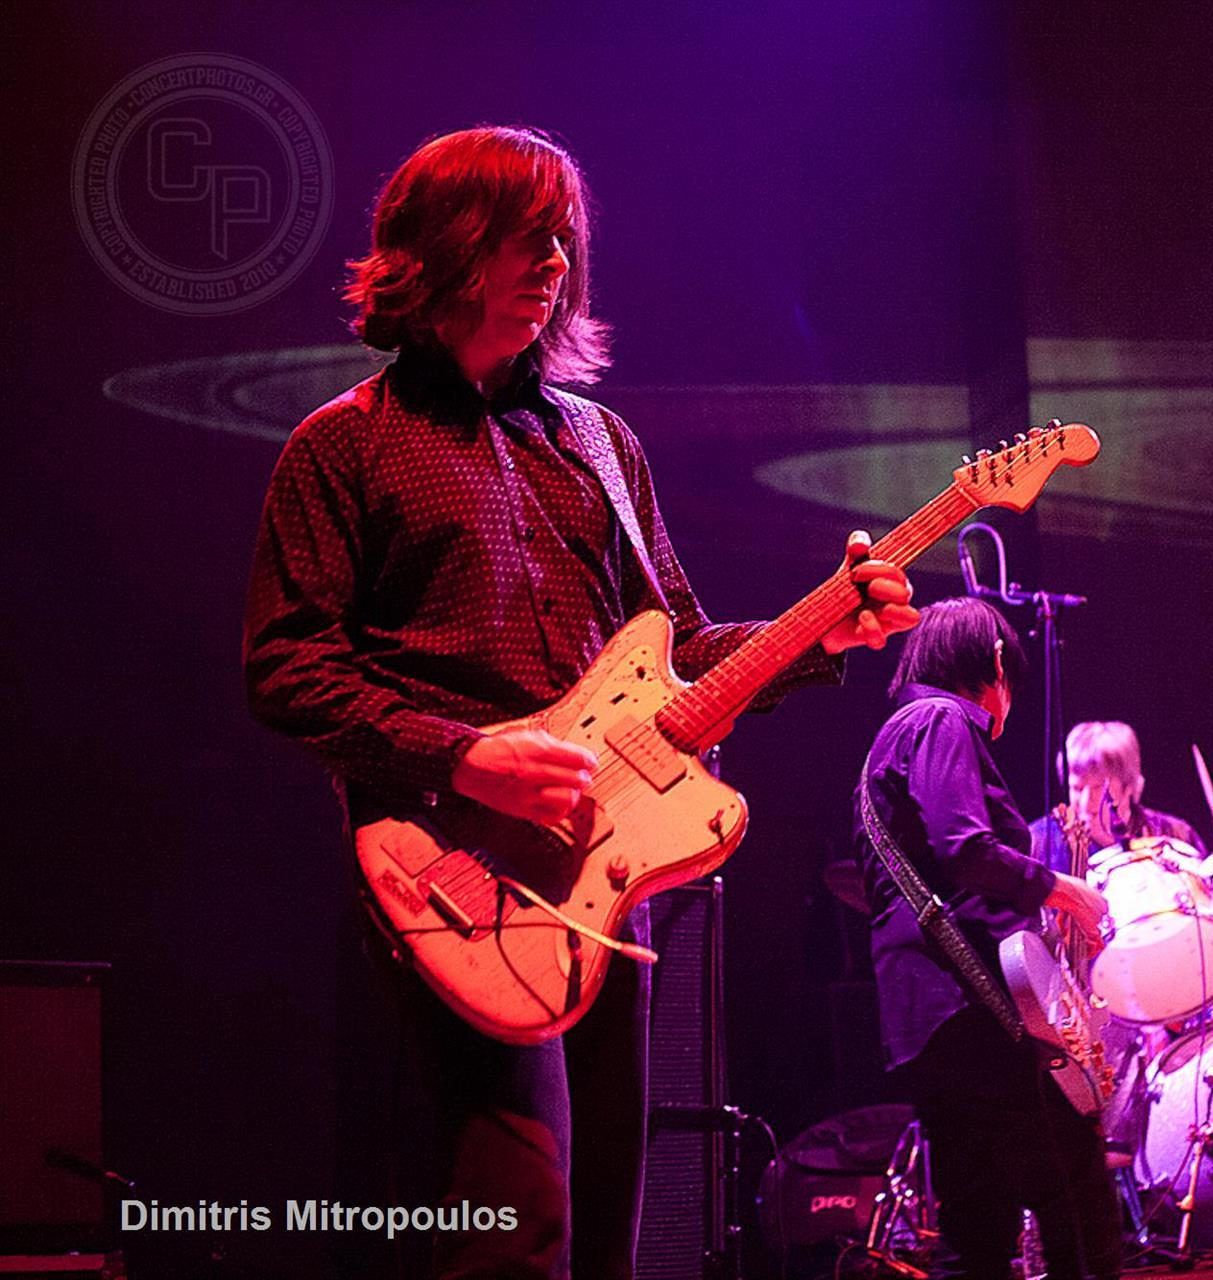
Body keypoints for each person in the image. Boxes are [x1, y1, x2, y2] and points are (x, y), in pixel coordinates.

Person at [242, 126, 917, 1279]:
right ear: (440, 247)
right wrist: (466, 757)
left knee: (606, 1221)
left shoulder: (602, 444)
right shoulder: (342, 447)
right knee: (512, 1225)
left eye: (565, 236)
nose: (553, 257)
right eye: (522, 232)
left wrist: (824, 627)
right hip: (453, 870)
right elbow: (289, 669)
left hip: (608, 876)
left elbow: (682, 647)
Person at [854, 597, 1123, 1280]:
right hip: (974, 1015)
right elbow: (966, 848)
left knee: (975, 1230)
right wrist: (1062, 889)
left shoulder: (894, 735)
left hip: (924, 1016)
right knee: (1076, 1198)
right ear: (997, 664)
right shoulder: (944, 720)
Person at [1028, 720, 1213, 896]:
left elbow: (1209, 920)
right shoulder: (1039, 843)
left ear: (1129, 786)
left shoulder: (1175, 837)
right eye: (1077, 788)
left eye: (1099, 789)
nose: (1086, 804)